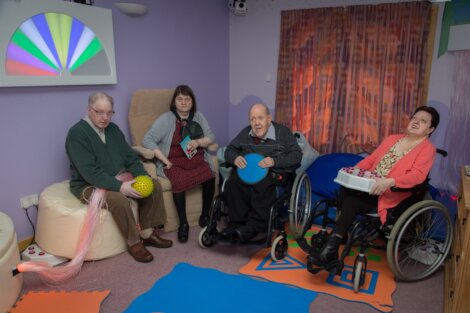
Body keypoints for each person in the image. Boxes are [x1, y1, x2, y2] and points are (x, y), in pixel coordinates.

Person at [311, 106, 440, 267]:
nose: (416, 122)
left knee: (351, 202)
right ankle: (337, 237)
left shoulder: (427, 149)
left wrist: (390, 181)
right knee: (344, 188)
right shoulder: (393, 139)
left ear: (430, 129)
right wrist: (354, 171)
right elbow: (371, 160)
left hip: (392, 193)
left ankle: (331, 248)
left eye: (423, 121)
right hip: (370, 185)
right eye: (414, 118)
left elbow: (418, 175)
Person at [65, 92, 172, 263]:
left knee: (154, 185)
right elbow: (89, 172)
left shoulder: (113, 130)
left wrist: (143, 177)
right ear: (89, 110)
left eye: (109, 113)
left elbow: (130, 157)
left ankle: (147, 233)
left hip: (120, 177)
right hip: (88, 184)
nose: (105, 117)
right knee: (118, 198)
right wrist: (120, 186)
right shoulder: (76, 134)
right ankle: (134, 242)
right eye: (99, 112)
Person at [142, 85, 216, 243]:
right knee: (179, 181)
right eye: (180, 99)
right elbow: (147, 139)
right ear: (174, 102)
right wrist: (164, 160)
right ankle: (184, 223)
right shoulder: (166, 119)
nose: (184, 102)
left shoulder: (198, 116)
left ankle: (205, 214)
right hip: (175, 163)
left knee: (210, 175)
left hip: (196, 160)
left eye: (187, 99)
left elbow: (211, 136)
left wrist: (198, 142)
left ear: (192, 102)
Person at [223, 103, 302, 242]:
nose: (256, 123)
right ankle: (236, 224)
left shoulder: (282, 133)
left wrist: (274, 161)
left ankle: (255, 226)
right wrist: (235, 158)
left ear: (269, 119)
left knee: (263, 183)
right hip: (250, 171)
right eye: (252, 119)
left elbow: (296, 156)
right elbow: (229, 150)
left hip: (274, 173)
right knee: (233, 181)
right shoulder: (245, 133)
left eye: (260, 118)